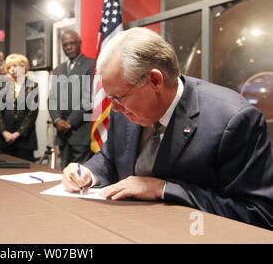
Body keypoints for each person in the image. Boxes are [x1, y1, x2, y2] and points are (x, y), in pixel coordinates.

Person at [62, 27, 273, 230]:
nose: (114, 109)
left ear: (155, 80)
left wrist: (162, 188)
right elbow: (110, 158)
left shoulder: (233, 121)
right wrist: (88, 172)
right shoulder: (126, 111)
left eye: (119, 97)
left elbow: (258, 214)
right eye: (110, 98)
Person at [48, 30, 95, 169]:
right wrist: (57, 121)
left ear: (80, 43)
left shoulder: (91, 65)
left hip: (81, 132)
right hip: (62, 134)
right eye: (65, 45)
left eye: (72, 43)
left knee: (81, 176)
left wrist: (70, 122)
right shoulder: (58, 69)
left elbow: (89, 97)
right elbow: (52, 98)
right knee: (63, 175)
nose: (68, 47)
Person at [0, 54, 39, 161]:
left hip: (24, 139)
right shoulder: (1, 85)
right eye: (9, 67)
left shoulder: (32, 85)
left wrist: (17, 134)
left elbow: (32, 113)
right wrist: (4, 132)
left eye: (15, 66)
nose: (12, 70)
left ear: (24, 68)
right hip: (5, 138)